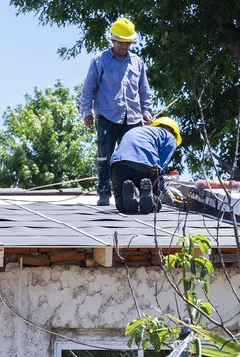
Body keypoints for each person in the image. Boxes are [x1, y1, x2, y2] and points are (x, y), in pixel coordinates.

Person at [78, 17, 154, 207]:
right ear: (112, 40)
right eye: (121, 41)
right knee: (105, 156)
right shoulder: (100, 60)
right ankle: (104, 193)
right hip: (108, 116)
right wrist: (86, 112)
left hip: (134, 118)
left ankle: (135, 192)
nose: (124, 45)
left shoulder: (137, 62)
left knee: (134, 157)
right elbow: (88, 89)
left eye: (127, 42)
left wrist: (147, 111)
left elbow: (144, 90)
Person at [109, 117, 181, 214]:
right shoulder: (170, 138)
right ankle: (150, 198)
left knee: (121, 206)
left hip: (118, 166)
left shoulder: (136, 130)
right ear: (173, 132)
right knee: (155, 203)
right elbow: (161, 169)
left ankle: (129, 194)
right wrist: (164, 190)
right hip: (146, 168)